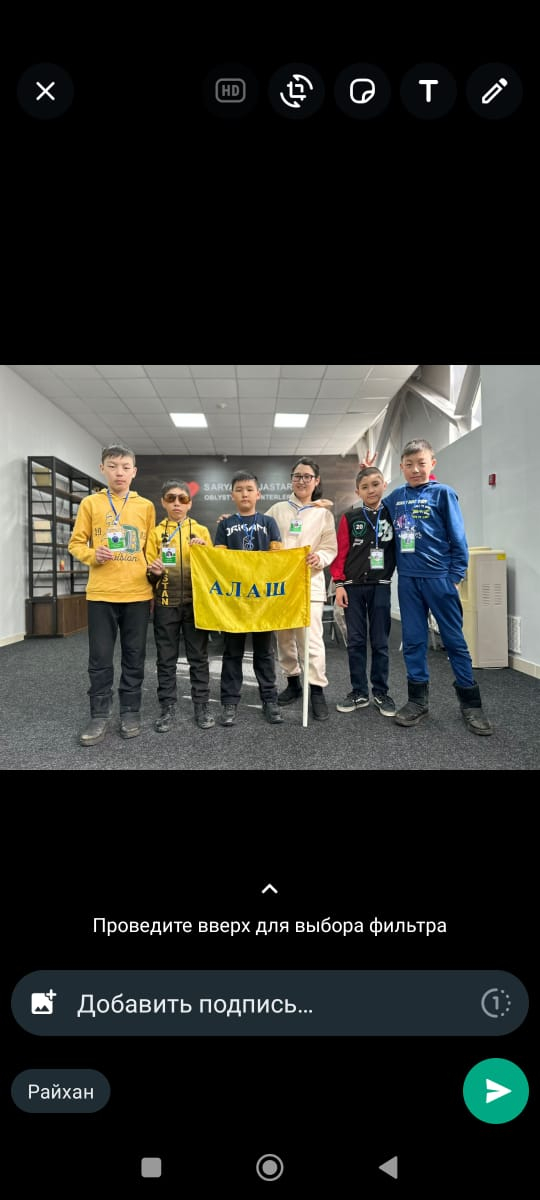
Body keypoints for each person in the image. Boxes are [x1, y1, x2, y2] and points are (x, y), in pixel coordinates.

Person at [381, 439, 492, 735]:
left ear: (432, 463)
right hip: (408, 580)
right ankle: (418, 701)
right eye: (409, 465)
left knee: (454, 641)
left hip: (440, 579)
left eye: (421, 463)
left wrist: (455, 575)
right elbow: (373, 506)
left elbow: (458, 538)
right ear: (401, 467)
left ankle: (471, 705)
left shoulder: (443, 493)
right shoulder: (395, 497)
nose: (415, 469)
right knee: (413, 641)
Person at [68, 444, 156, 745]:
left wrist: (155, 569)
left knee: (135, 656)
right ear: (102, 469)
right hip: (101, 594)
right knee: (100, 658)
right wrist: (93, 554)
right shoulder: (90, 503)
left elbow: (150, 549)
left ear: (134, 472)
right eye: (113, 466)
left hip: (137, 594)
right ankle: (99, 715)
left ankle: (130, 711)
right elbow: (75, 544)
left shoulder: (145, 506)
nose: (119, 472)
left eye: (125, 467)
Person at [266, 459, 337, 721]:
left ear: (316, 481)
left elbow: (329, 546)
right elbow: (262, 535)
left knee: (311, 639)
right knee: (284, 638)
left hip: (310, 583)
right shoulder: (277, 510)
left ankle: (316, 689)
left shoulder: (323, 514)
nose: (302, 480)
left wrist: (320, 557)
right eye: (297, 476)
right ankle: (293, 682)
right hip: (281, 585)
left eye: (307, 476)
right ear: (291, 479)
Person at [214, 471, 284, 727]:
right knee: (232, 652)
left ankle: (270, 699)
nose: (245, 493)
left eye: (249, 489)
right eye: (239, 489)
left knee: (264, 652)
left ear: (258, 494)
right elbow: (219, 560)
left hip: (262, 599)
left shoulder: (269, 523)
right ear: (232, 495)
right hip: (235, 600)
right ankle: (229, 701)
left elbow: (277, 559)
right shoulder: (224, 525)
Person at [146, 481, 215, 732]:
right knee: (166, 659)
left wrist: (205, 552)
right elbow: (148, 574)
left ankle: (201, 705)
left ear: (189, 503)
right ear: (163, 502)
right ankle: (167, 707)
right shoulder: (155, 534)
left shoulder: (201, 531)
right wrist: (154, 572)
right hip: (165, 603)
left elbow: (213, 569)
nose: (177, 503)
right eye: (171, 498)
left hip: (196, 604)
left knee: (199, 658)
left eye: (182, 499)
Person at [331, 466, 396, 716]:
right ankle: (359, 691)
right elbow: (340, 553)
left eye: (376, 484)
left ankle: (381, 692)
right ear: (357, 491)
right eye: (365, 487)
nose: (371, 490)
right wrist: (339, 584)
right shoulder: (350, 517)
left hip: (381, 586)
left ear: (384, 485)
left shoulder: (392, 514)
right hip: (352, 588)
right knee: (356, 642)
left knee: (380, 642)